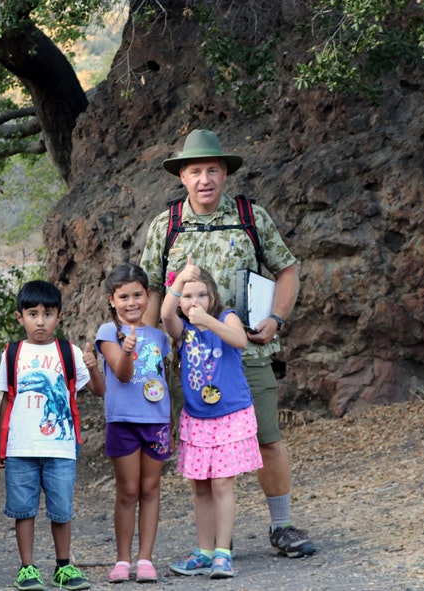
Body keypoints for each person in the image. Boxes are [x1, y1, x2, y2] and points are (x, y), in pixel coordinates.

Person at [140, 129, 317, 558]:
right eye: (196, 171)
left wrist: (276, 318)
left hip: (248, 350)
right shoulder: (167, 225)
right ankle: (221, 535)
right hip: (194, 358)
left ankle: (282, 525)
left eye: (213, 170)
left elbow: (287, 269)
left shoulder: (250, 216)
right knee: (205, 444)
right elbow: (148, 287)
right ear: (182, 176)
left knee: (266, 437)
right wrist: (151, 353)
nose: (205, 179)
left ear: (225, 175)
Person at [0, 280, 105, 591]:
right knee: (23, 510)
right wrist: (1, 445)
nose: (40, 321)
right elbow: (7, 398)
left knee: (61, 510)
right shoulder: (12, 353)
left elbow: (99, 390)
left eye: (47, 314)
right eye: (32, 314)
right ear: (20, 318)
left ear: (60, 316)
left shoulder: (68, 352)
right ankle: (27, 568)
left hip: (61, 448)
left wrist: (93, 367)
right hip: (20, 447)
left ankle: (63, 567)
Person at [161, 259, 263, 578]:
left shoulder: (224, 316)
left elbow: (240, 340)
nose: (194, 302)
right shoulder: (181, 329)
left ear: (212, 296)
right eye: (187, 296)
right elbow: (164, 315)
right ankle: (204, 551)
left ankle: (223, 552)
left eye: (201, 295)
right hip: (198, 418)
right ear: (179, 299)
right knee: (200, 486)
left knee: (222, 483)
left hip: (231, 415)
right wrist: (178, 282)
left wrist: (207, 319)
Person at [95, 263, 172, 584]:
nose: (131, 303)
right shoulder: (108, 333)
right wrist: (127, 350)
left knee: (150, 489)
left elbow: (162, 379)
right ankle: (122, 559)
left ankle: (145, 560)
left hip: (156, 421)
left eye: (137, 295)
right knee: (128, 491)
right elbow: (123, 374)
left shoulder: (158, 336)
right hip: (123, 421)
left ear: (148, 295)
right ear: (112, 300)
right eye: (123, 297)